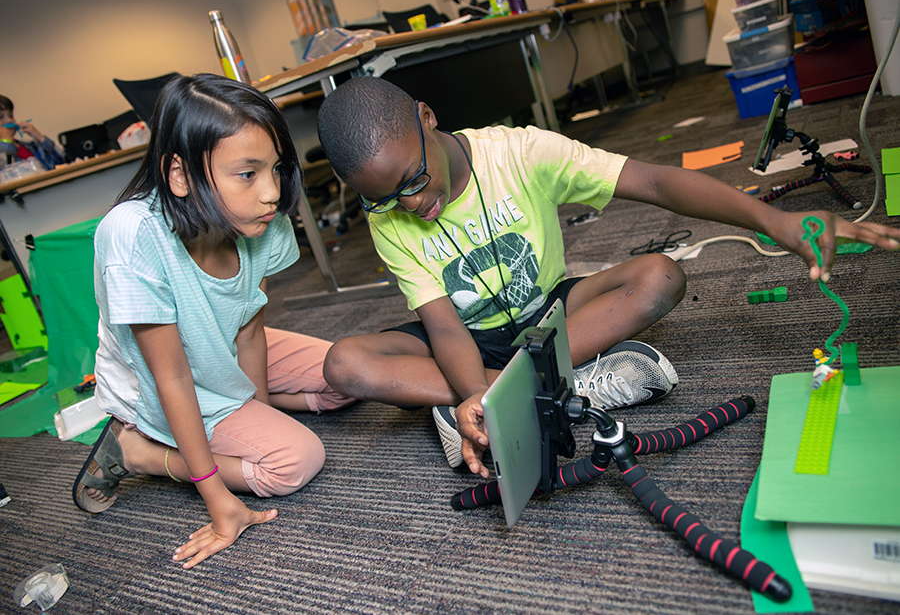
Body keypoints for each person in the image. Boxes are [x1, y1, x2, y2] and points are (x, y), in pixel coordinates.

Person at [315, 77, 900, 480]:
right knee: (345, 364)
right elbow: (443, 328)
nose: (412, 204)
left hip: (552, 313)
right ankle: (546, 390)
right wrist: (475, 392)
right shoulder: (390, 214)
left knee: (660, 277)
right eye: (387, 200)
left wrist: (773, 220)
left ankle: (509, 397)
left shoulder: (519, 152)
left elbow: (653, 182)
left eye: (414, 180)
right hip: (469, 339)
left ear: (426, 117)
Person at [72, 73, 356, 569]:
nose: (271, 192)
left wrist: (263, 412)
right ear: (180, 175)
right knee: (295, 461)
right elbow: (172, 375)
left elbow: (249, 328)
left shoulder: (259, 218)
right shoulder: (132, 234)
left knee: (348, 373)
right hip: (161, 381)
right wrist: (217, 500)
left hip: (219, 349)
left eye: (275, 169)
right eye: (247, 174)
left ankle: (240, 420)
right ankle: (139, 451)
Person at [0, 95, 65, 170]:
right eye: (0, 117)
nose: (9, 120)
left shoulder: (30, 146)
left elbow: (61, 162)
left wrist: (40, 138)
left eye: (11, 116)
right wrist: (5, 142)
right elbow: (5, 173)